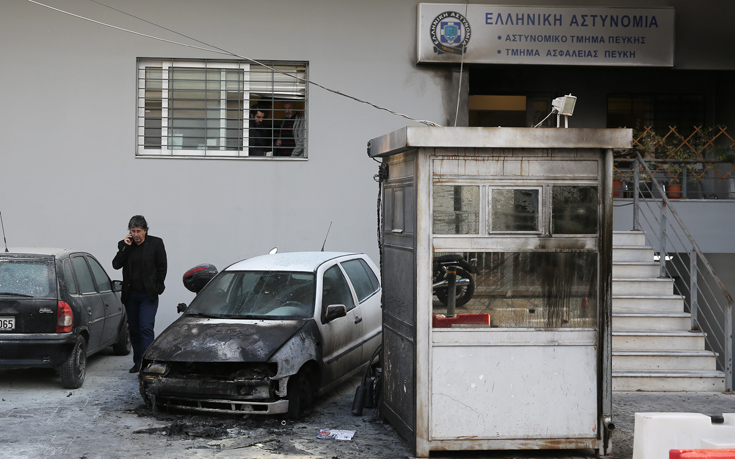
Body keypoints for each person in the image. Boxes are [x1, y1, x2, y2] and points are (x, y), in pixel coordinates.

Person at [112, 215, 167, 373]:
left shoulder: (156, 243)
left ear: (145, 231)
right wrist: (126, 247)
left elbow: (162, 267)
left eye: (138, 231)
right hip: (131, 296)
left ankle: (148, 363)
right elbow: (116, 265)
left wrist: (158, 286)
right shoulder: (125, 245)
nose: (135, 234)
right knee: (134, 330)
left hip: (147, 295)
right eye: (132, 231)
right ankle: (138, 362)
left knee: (145, 327)